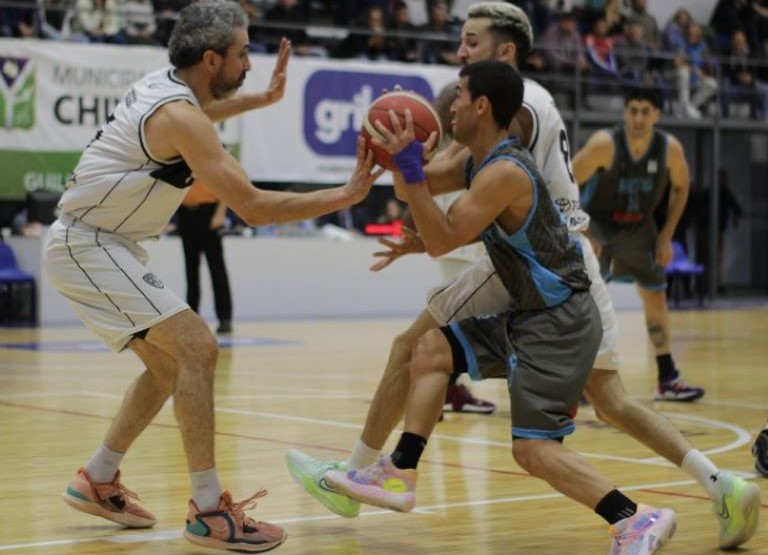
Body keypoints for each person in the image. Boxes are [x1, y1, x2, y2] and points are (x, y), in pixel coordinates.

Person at [285, 3, 761, 550]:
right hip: (550, 260)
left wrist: (412, 177)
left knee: (421, 354)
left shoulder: (520, 111)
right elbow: (434, 186)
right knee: (596, 396)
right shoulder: (501, 126)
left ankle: (358, 477)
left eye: (470, 42)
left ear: (502, 57)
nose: (460, 53)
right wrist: (391, 157)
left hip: (543, 270)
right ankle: (718, 483)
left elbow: (450, 210)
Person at [43, 1, 381, 552]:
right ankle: (207, 510)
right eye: (242, 53)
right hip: (90, 244)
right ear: (210, 59)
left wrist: (262, 99)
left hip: (102, 243)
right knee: (198, 349)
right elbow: (252, 207)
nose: (250, 62)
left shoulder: (170, 86)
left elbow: (202, 114)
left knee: (168, 369)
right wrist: (344, 196)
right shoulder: (180, 116)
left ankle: (97, 479)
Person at [330, 59, 678, 553]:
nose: (449, 105)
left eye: (459, 96)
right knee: (429, 350)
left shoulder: (505, 172)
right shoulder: (478, 162)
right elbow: (424, 201)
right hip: (532, 313)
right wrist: (397, 158)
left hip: (560, 321)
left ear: (482, 106)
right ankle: (401, 471)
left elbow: (441, 237)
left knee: (532, 450)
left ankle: (636, 518)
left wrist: (409, 166)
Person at [574, 87, 708, 401]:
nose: (638, 117)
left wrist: (666, 235)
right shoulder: (604, 145)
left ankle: (667, 377)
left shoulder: (668, 149)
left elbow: (682, 186)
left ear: (656, 115)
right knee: (585, 303)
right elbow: (565, 183)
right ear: (624, 113)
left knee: (656, 298)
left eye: (645, 111)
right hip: (600, 225)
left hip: (640, 227)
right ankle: (578, 379)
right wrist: (584, 232)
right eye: (632, 110)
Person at [176, 180, 233, 334]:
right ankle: (192, 317)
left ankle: (225, 318)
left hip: (209, 212)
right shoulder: (180, 159)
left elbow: (225, 186)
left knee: (217, 269)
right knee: (191, 270)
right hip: (185, 212)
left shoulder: (208, 157)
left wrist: (220, 213)